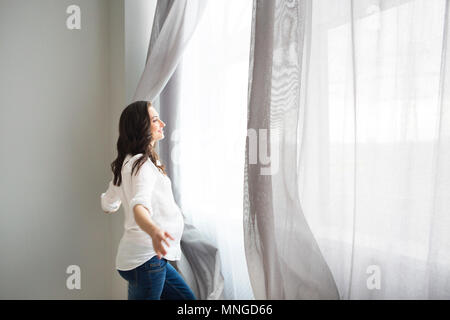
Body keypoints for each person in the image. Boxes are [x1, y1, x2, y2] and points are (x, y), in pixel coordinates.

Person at [100, 101, 196, 300]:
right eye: (154, 119)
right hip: (147, 260)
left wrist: (116, 202)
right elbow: (139, 206)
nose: (162, 123)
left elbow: (108, 203)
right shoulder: (141, 165)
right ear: (141, 127)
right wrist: (154, 231)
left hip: (142, 259)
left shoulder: (127, 163)